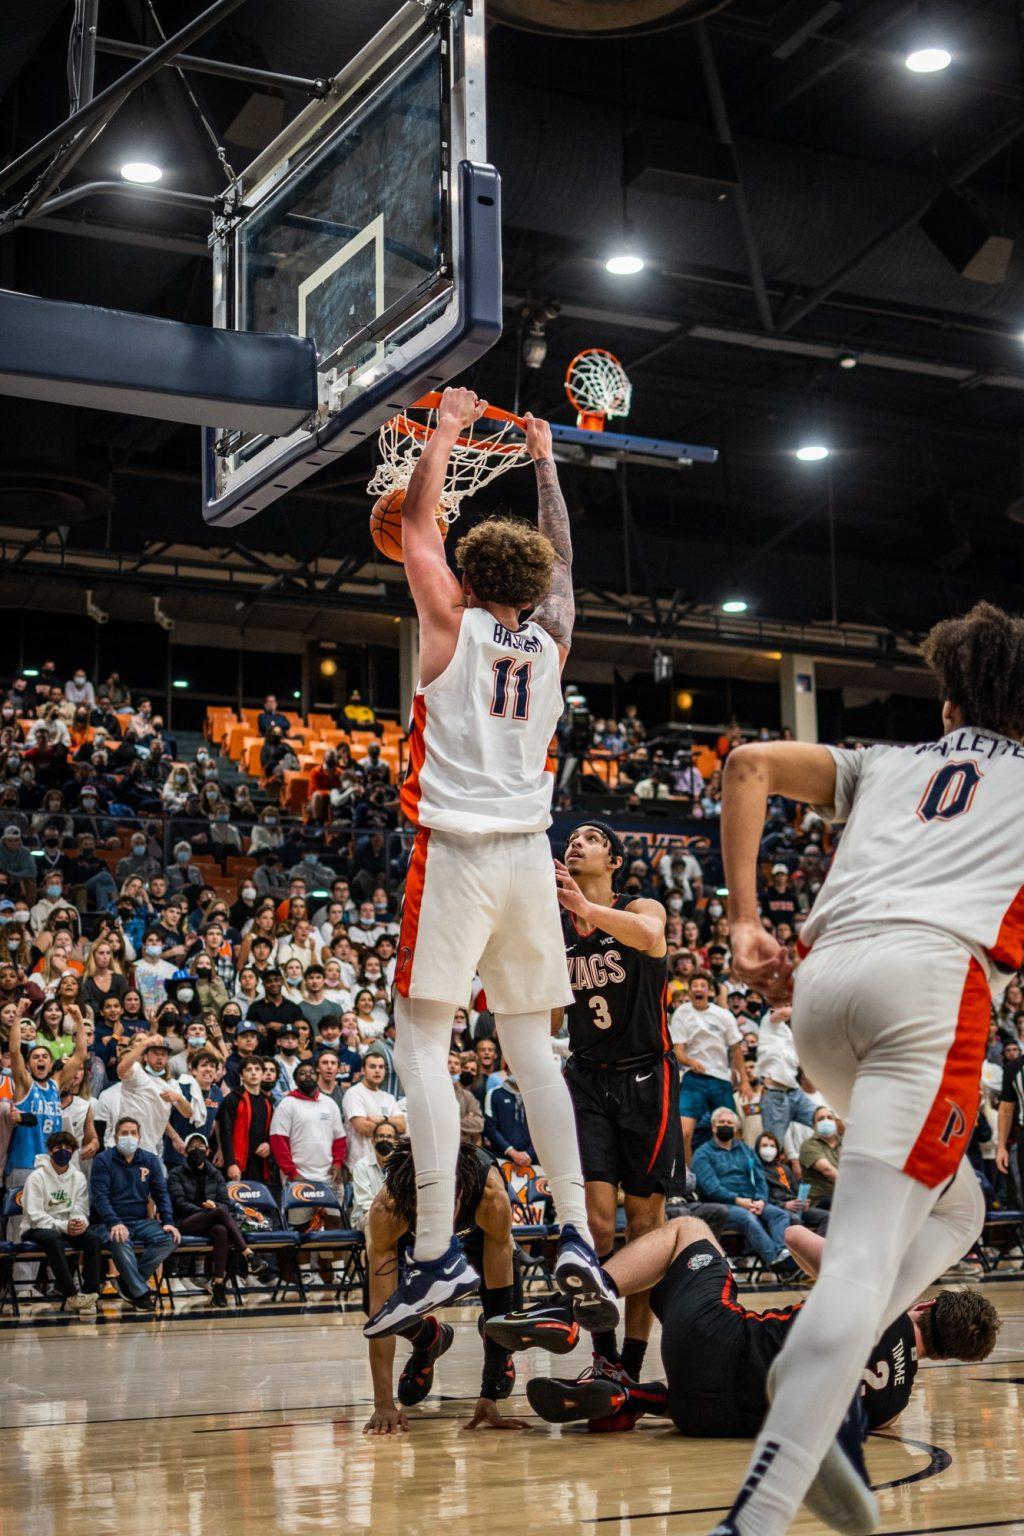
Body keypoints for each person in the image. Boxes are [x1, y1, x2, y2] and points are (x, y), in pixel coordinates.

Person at [709, 600, 1024, 1536]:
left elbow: (746, 765)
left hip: (820, 994)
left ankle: (825, 1371)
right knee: (857, 1259)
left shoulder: (889, 764)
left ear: (946, 707)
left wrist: (741, 919)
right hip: (929, 990)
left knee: (959, 1204)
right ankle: (760, 1506)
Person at [366, 386, 607, 1338]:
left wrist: (450, 433)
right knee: (533, 1053)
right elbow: (567, 559)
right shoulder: (552, 639)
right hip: (528, 859)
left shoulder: (450, 622)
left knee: (421, 1043)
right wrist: (543, 457)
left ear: (467, 573)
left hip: (459, 853)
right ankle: (579, 1234)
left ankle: (434, 1250)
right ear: (538, 579)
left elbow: (420, 519)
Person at [500, 1214, 1000, 1438]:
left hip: (712, 1339)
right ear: (946, 1354)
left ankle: (573, 1307)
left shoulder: (881, 1297)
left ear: (930, 1301)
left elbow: (794, 1235)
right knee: (757, 1398)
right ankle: (631, 1397)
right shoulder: (894, 1406)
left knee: (686, 1231)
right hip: (708, 1421)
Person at [553, 820, 680, 1388]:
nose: (575, 843)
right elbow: (553, 1017)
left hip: (646, 1078)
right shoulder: (554, 928)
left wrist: (587, 907)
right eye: (571, 839)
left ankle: (632, 1361)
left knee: (646, 1225)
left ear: (615, 861)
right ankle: (604, 1358)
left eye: (591, 838)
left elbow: (649, 937)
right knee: (599, 1226)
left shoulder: (641, 905)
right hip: (586, 1077)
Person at [364, 1141, 522, 1435]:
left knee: (508, 1312)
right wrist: (383, 1404)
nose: (441, 1218)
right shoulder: (389, 1209)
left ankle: (491, 1341)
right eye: (428, 1208)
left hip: (477, 1236)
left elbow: (499, 1299)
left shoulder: (490, 1197)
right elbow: (379, 1312)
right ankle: (428, 1339)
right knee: (387, 1310)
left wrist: (490, 1394)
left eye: (446, 1208)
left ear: (460, 1195)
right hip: (414, 1239)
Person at [167, 1132, 270, 1307]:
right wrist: (205, 1210)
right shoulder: (176, 1173)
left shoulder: (216, 1174)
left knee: (221, 1230)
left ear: (207, 1151)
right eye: (192, 1148)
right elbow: (179, 1203)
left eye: (200, 1148)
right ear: (185, 1152)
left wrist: (214, 1209)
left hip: (212, 1222)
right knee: (219, 1214)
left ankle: (218, 1284)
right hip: (185, 1222)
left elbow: (224, 1203)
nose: (196, 1151)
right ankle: (248, 1254)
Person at [691, 1107, 797, 1275]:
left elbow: (760, 1177)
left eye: (729, 1123)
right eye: (721, 1122)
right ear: (713, 1127)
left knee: (779, 1214)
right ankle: (775, 1261)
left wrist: (761, 1200)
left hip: (752, 1201)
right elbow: (711, 1188)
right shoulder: (702, 1154)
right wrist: (739, 1201)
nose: (726, 1125)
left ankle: (783, 1252)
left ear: (736, 1128)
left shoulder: (746, 1150)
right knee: (748, 1218)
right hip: (725, 1205)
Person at [90, 1114, 180, 1310]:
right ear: (115, 1137)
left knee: (170, 1238)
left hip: (140, 1221)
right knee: (119, 1238)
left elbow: (161, 1193)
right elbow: (99, 1198)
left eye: (133, 1133)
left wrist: (168, 1221)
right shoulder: (102, 1160)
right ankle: (139, 1293)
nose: (129, 1137)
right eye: (124, 1133)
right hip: (106, 1223)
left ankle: (128, 1283)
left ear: (139, 1137)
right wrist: (114, 1222)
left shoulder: (150, 1160)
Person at [671, 973, 752, 1166]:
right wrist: (691, 1062)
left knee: (733, 1131)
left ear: (710, 991)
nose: (698, 989)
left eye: (702, 985)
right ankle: (687, 1181)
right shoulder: (682, 1012)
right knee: (683, 1132)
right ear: (690, 990)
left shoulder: (723, 1015)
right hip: (694, 1078)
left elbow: (736, 1049)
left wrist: (745, 1081)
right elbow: (678, 1051)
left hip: (721, 1079)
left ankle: (738, 1174)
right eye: (695, 985)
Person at [7, 1007, 88, 1189]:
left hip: (52, 1165)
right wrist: (18, 1015)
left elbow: (81, 1054)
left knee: (49, 1215)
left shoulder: (55, 1085)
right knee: (21, 1217)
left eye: (45, 1056)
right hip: (24, 1162)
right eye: (35, 1057)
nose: (40, 1059)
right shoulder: (24, 1083)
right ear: (28, 1064)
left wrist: (79, 1021)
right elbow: (14, 1051)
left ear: (51, 1064)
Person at [21, 1128, 102, 1311]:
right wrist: (63, 1226)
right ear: (50, 1151)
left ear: (73, 1152)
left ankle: (90, 1295)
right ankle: (70, 1294)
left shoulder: (79, 1177)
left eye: (68, 1148)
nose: (63, 1151)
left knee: (92, 1238)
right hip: (36, 1228)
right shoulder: (36, 1177)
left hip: (67, 1227)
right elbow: (34, 1215)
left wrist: (79, 1222)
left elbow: (81, 1208)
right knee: (52, 1238)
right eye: (58, 1147)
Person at [268, 1059, 346, 1184]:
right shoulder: (287, 1104)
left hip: (329, 1176)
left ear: (317, 1076)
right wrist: (292, 1172)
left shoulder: (329, 1103)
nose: (308, 1075)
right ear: (295, 1080)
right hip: (298, 1177)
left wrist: (337, 1163)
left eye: (311, 1072)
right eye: (302, 1073)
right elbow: (278, 1141)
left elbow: (339, 1138)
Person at [756, 1004, 819, 1146]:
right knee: (773, 1145)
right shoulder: (768, 1021)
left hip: (795, 1092)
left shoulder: (790, 1036)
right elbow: (785, 1012)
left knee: (823, 1120)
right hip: (775, 1095)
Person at [215, 1058, 277, 1188]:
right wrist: (231, 1163)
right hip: (238, 1163)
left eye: (257, 1069)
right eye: (249, 1070)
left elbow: (272, 1131)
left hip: (260, 1163)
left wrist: (269, 1144)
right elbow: (226, 1132)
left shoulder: (268, 1102)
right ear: (242, 1075)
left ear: (262, 1074)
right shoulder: (232, 1099)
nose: (253, 1073)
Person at [342, 1049, 406, 1168]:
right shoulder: (354, 1093)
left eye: (381, 1067)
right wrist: (390, 1126)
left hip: (386, 1164)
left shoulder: (388, 1097)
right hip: (359, 1164)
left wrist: (381, 1118)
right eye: (372, 1066)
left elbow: (402, 1125)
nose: (377, 1070)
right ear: (363, 1070)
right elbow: (363, 1127)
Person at [350, 1121, 399, 1231]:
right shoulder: (361, 1166)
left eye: (389, 1136)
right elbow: (365, 1202)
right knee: (376, 1222)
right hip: (365, 1216)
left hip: (392, 1216)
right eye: (381, 1136)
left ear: (395, 1142)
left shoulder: (399, 1167)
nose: (385, 1139)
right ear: (373, 1141)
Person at [798, 1103, 843, 1207]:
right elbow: (828, 1170)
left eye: (829, 1118)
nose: (826, 1121)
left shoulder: (845, 1144)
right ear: (814, 1126)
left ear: (836, 1123)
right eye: (821, 1119)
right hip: (818, 1201)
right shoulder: (809, 1145)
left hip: (841, 1195)